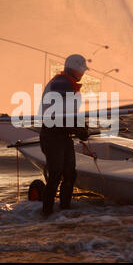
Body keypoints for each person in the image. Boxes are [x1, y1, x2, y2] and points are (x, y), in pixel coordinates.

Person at [40, 54, 89, 216]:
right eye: (83, 70)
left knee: (69, 174)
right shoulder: (62, 83)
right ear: (76, 69)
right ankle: (47, 213)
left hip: (62, 135)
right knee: (56, 174)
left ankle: (63, 211)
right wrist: (79, 128)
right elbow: (61, 112)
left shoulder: (67, 82)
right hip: (53, 136)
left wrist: (80, 127)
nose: (83, 73)